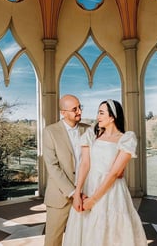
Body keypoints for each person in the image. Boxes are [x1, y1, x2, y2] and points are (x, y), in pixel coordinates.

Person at [63, 99, 148, 246]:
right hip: (89, 187)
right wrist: (77, 194)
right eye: (98, 112)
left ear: (112, 116)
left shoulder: (126, 138)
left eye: (101, 113)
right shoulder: (91, 135)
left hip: (112, 192)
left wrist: (94, 200)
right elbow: (84, 164)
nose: (98, 117)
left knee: (110, 233)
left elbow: (114, 173)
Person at [42, 94, 90, 246]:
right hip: (59, 197)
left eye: (80, 107)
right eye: (74, 109)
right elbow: (52, 167)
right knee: (53, 241)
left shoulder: (89, 130)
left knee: (85, 239)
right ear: (63, 112)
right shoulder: (50, 132)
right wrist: (72, 192)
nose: (79, 111)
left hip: (86, 194)